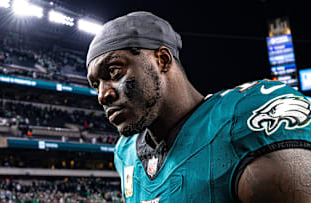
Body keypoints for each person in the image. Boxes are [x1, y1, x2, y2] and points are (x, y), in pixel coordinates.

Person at [85, 11, 311, 203]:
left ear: (162, 59)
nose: (103, 95)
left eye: (114, 72)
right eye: (96, 85)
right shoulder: (125, 153)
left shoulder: (245, 119)